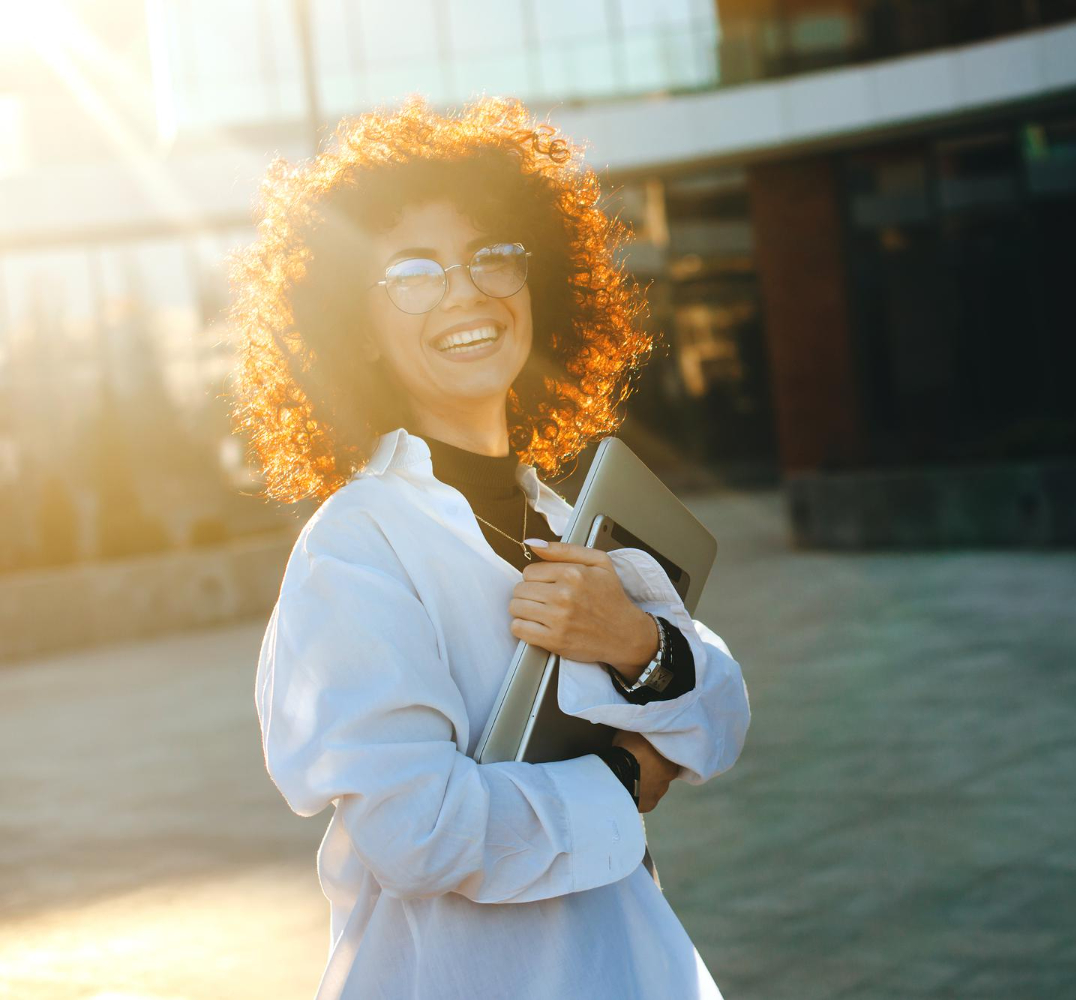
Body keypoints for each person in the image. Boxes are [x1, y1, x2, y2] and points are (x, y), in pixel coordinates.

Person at [230, 97, 751, 999]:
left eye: (490, 257)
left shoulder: (560, 519)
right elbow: (421, 834)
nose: (465, 291)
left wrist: (635, 645)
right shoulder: (356, 546)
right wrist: (628, 774)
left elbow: (724, 715)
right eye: (413, 272)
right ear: (357, 328)